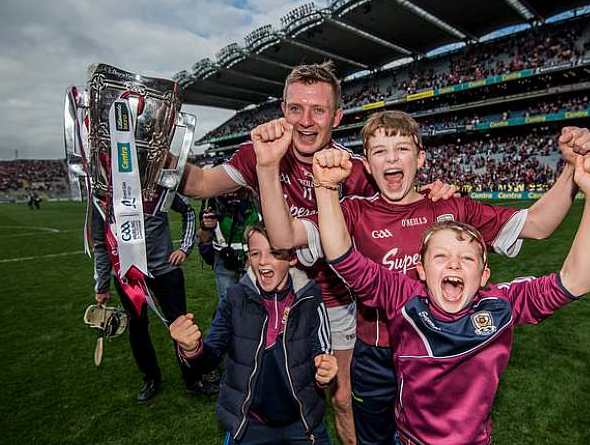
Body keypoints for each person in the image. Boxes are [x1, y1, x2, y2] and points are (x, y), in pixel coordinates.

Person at [253, 110, 590, 444]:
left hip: (441, 355)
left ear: (420, 158)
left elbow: (538, 224)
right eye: (379, 152)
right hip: (376, 354)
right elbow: (283, 238)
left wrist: (571, 168)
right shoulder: (353, 212)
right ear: (368, 166)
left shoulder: (451, 207)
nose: (391, 159)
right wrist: (268, 167)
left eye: (402, 149)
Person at [179, 63, 456, 444]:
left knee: (342, 398)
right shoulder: (262, 153)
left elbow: (401, 197)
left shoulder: (355, 171)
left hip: (336, 296)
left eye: (319, 111)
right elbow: (203, 183)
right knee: (262, 380)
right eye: (296, 109)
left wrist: (437, 191)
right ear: (283, 109)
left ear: (337, 116)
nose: (306, 121)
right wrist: (158, 158)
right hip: (278, 286)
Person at [314, 150, 590, 444]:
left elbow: (575, 281)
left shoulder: (501, 305)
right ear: (420, 269)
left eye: (467, 259)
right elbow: (342, 257)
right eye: (441, 256)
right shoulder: (402, 298)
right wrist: (326, 187)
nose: (453, 264)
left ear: (484, 275)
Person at [170, 223, 338, 444]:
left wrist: (326, 370)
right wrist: (192, 349)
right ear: (248, 257)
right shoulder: (234, 299)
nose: (263, 261)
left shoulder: (311, 298)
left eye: (274, 253)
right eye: (255, 253)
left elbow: (322, 354)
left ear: (292, 258)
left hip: (303, 425)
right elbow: (209, 358)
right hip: (249, 425)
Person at [91, 193, 215, 402]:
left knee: (181, 324)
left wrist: (184, 248)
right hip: (127, 276)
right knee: (137, 328)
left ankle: (194, 378)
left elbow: (188, 211)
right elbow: (101, 243)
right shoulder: (102, 195)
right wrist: (102, 286)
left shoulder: (157, 186)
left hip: (165, 271)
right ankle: (151, 378)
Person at [197, 187, 261, 300]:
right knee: (229, 301)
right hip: (224, 257)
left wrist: (256, 195)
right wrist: (205, 226)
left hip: (254, 255)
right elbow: (202, 238)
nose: (231, 194)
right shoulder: (212, 202)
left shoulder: (254, 199)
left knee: (256, 299)